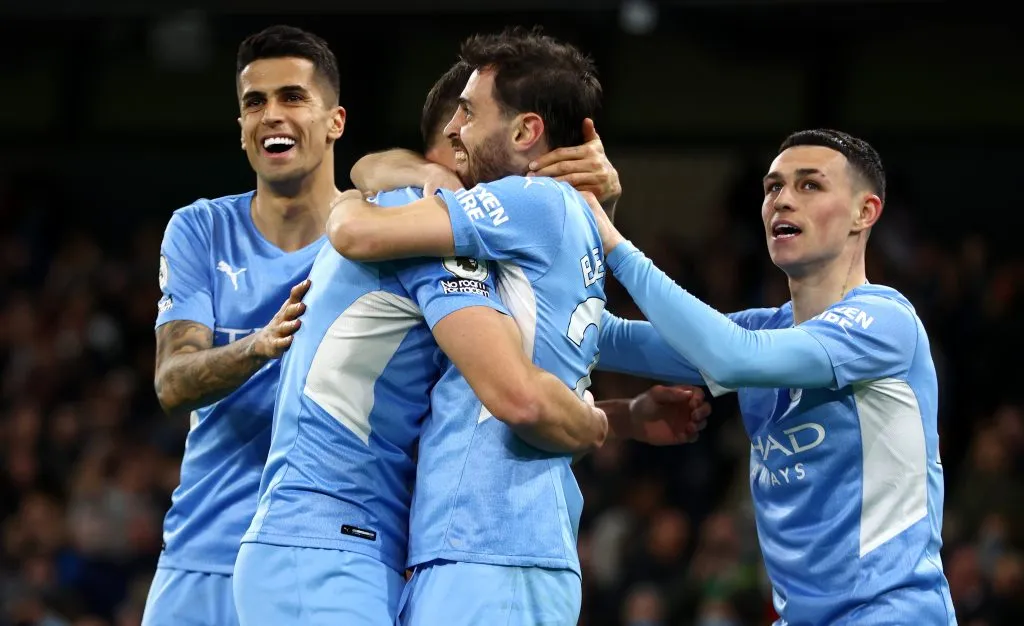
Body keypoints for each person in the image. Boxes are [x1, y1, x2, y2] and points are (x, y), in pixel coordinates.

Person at [231, 38, 710, 626]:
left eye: (471, 113)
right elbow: (519, 396)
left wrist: (632, 409)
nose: (465, 129)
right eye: (462, 118)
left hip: (349, 542)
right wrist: (602, 422)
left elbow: (553, 345)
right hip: (327, 540)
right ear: (453, 147)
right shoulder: (426, 233)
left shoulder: (417, 216)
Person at [582, 129, 957, 625]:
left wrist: (616, 246)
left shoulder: (886, 322)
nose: (782, 200)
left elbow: (733, 358)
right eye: (773, 187)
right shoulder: (763, 330)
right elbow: (601, 336)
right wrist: (587, 218)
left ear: (864, 213)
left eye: (809, 186)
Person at [142, 25, 344, 626]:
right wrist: (260, 346)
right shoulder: (200, 229)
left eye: (292, 97)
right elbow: (172, 383)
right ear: (240, 128)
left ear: (335, 121)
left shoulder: (378, 234)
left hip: (322, 557)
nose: (270, 116)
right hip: (203, 554)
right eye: (254, 103)